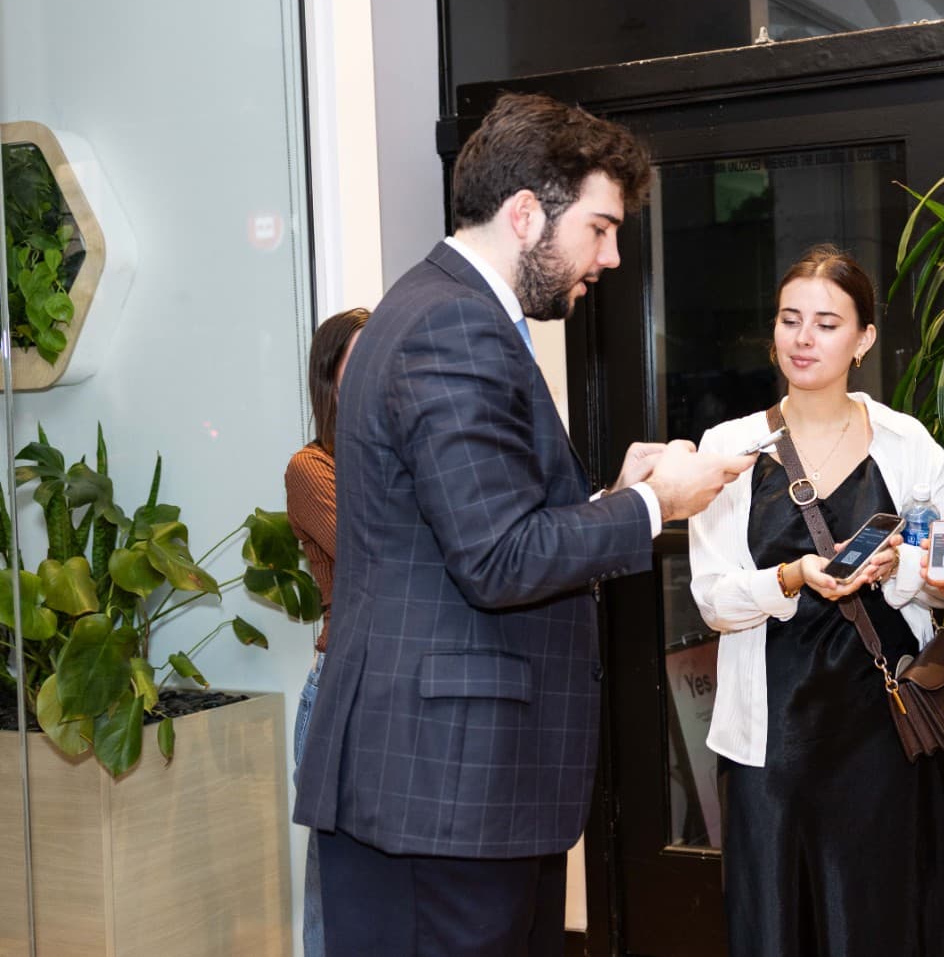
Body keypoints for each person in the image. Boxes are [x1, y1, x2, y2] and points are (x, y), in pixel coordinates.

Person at [293, 93, 755, 956]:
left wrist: (610, 495)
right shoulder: (452, 327)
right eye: (601, 228)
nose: (612, 257)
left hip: (459, 793)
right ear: (524, 214)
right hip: (439, 793)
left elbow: (475, 528)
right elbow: (498, 559)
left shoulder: (453, 315)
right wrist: (659, 503)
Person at [689, 246, 944, 957]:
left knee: (881, 915)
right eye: (790, 319)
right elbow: (713, 599)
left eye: (826, 322)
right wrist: (793, 576)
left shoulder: (909, 446)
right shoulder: (730, 448)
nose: (804, 339)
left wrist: (902, 565)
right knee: (777, 921)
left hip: (883, 728)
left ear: (864, 338)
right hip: (771, 738)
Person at [284, 305, 369, 957]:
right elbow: (380, 551)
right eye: (359, 358)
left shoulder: (397, 453)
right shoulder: (311, 468)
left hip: (388, 694)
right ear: (330, 377)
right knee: (336, 894)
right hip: (341, 693)